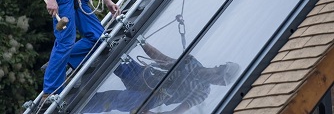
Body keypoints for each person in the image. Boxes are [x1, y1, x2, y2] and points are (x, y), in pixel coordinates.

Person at [82, 43, 240, 114]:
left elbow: (177, 112)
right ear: (219, 68)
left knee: (114, 98)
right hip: (148, 80)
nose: (217, 82)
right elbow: (162, 59)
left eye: (221, 83)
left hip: (153, 98)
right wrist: (141, 42)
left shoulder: (202, 92)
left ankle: (75, 107)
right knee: (120, 59)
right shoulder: (191, 62)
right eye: (220, 78)